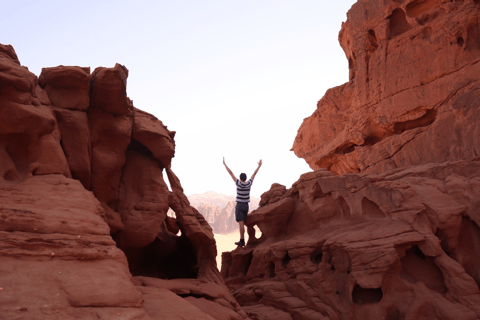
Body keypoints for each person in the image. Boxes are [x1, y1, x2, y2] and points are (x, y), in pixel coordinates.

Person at [223, 157, 262, 247]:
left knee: (241, 223)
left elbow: (231, 173)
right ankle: (245, 239)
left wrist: (225, 164)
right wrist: (259, 166)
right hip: (246, 205)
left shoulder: (238, 183)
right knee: (243, 222)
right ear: (245, 178)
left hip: (240, 205)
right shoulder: (249, 183)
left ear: (240, 178)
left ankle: (242, 240)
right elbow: (254, 174)